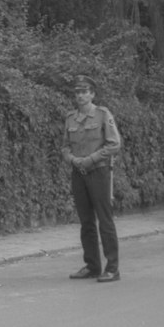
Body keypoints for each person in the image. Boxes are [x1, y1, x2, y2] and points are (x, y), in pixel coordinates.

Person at [61, 75, 122, 283]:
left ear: (92, 94)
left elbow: (114, 144)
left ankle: (112, 268)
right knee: (86, 222)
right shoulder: (70, 118)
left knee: (105, 220)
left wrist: (90, 159)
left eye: (84, 91)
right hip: (78, 173)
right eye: (77, 92)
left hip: (98, 172)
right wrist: (72, 160)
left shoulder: (103, 115)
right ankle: (92, 266)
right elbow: (65, 146)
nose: (80, 96)